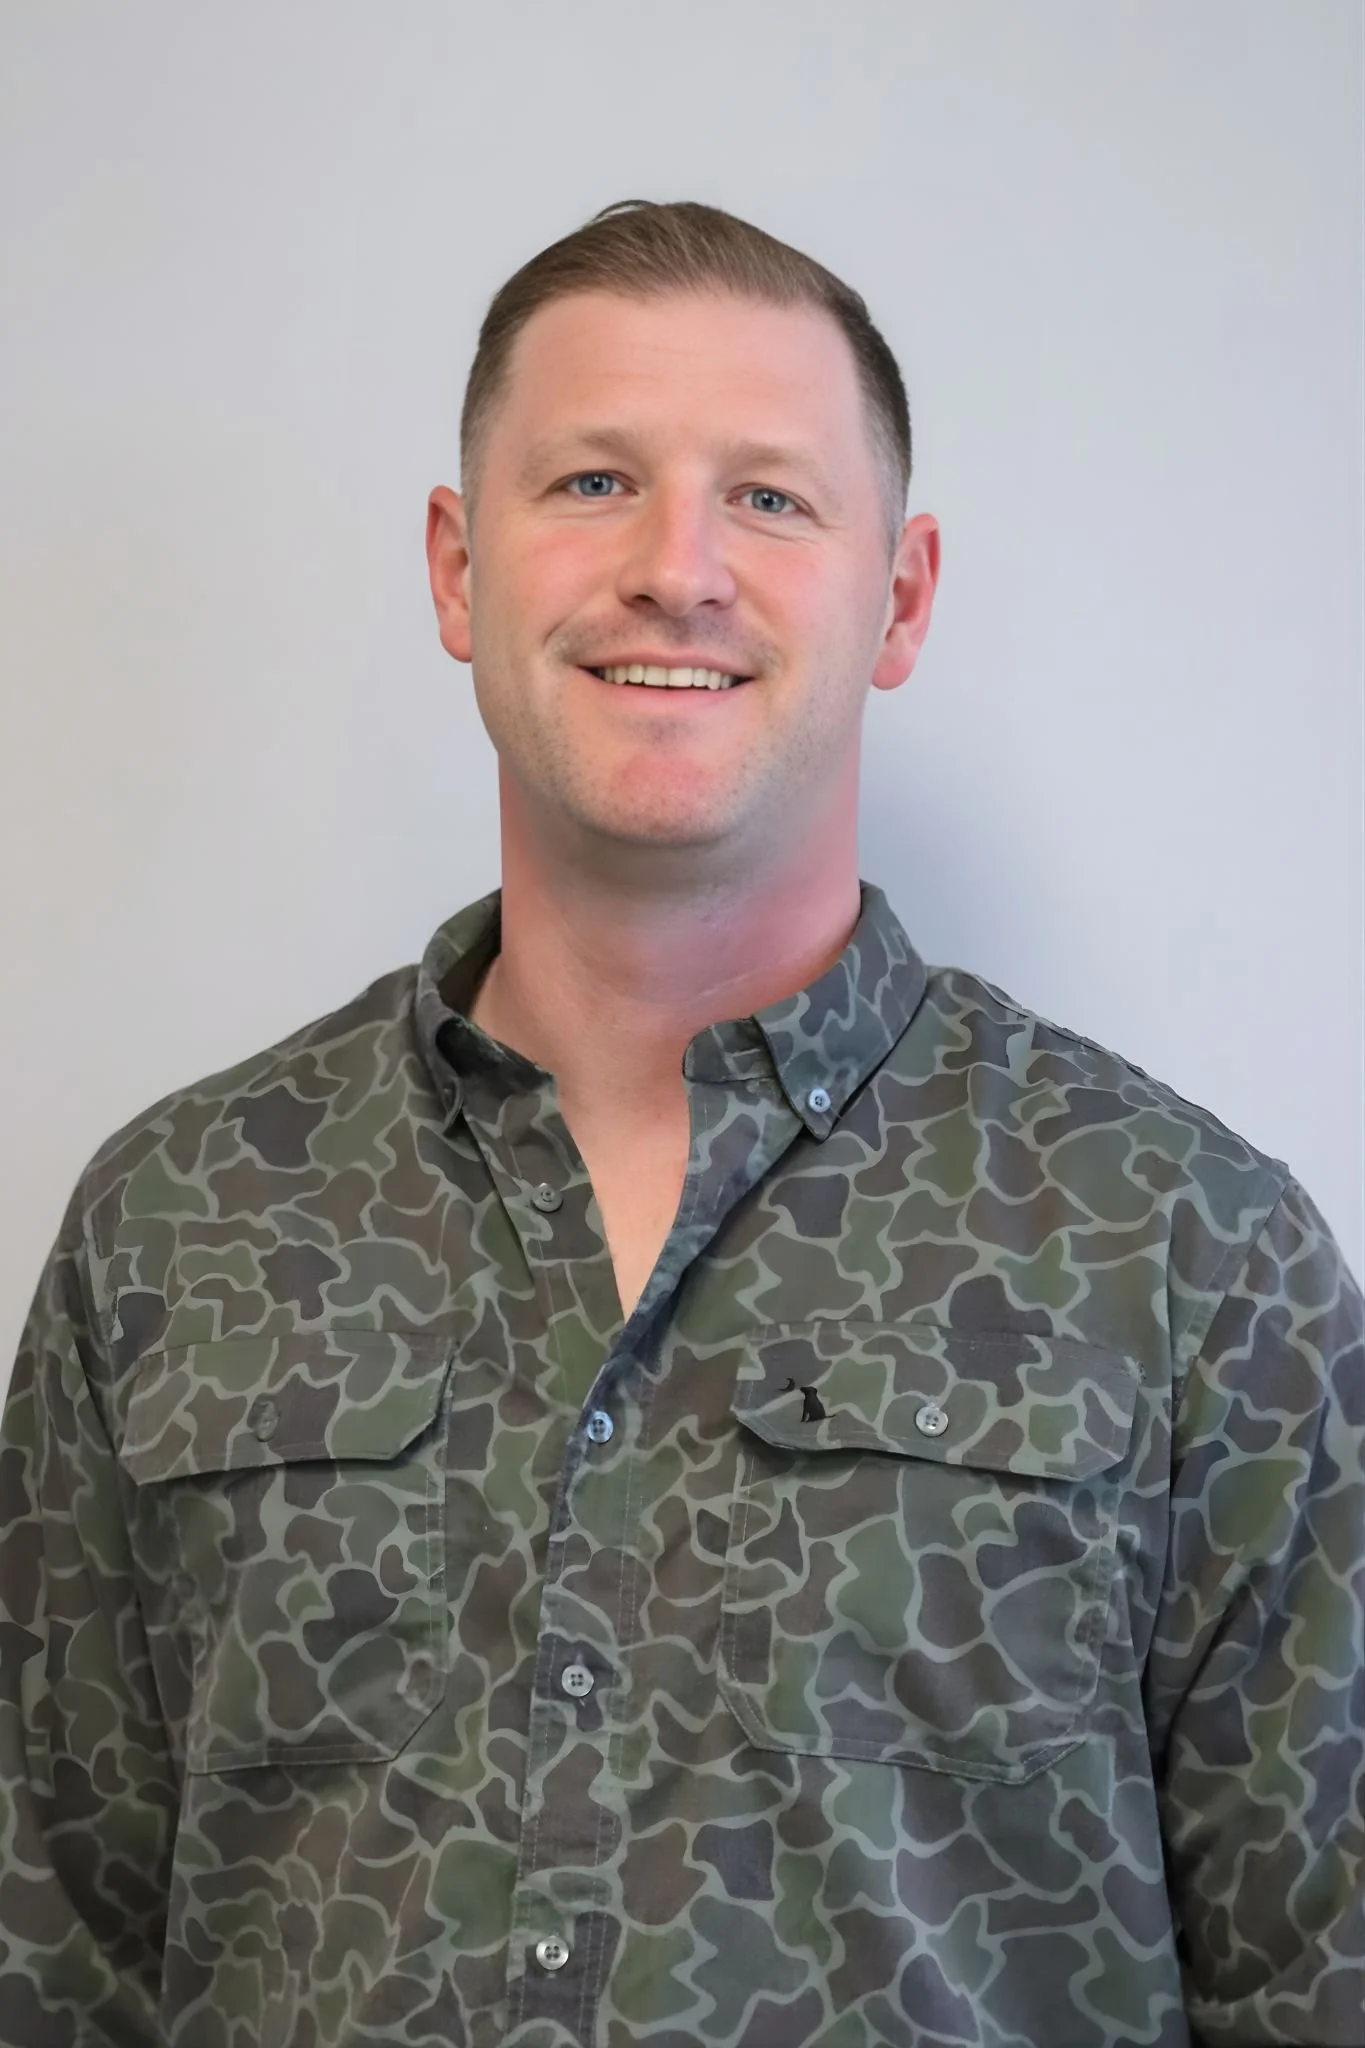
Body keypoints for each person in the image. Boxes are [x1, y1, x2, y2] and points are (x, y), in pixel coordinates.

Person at [1, 197, 1360, 2048]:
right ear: (458, 570)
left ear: (902, 598)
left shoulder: (1191, 1252)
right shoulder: (173, 1228)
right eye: (594, 483)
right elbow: (53, 1956)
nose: (678, 568)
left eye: (771, 498)